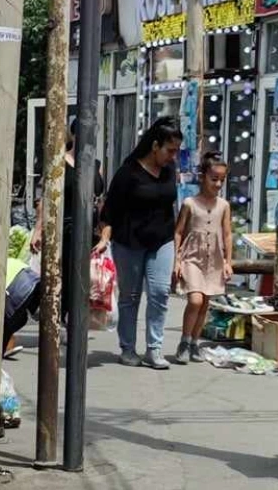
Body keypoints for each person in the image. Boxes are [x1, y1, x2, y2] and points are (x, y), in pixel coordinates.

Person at [95, 116, 182, 370]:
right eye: (170, 150)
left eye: (176, 151)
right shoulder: (128, 173)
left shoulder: (169, 171)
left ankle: (154, 349)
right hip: (129, 242)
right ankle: (128, 348)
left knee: (159, 293)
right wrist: (104, 238)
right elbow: (109, 211)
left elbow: (169, 205)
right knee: (130, 296)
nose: (173, 156)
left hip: (162, 240)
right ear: (155, 146)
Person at [29, 119, 105, 327]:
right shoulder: (59, 162)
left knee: (86, 280)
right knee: (68, 279)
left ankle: (74, 320)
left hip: (90, 231)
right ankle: (63, 320)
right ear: (74, 135)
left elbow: (99, 200)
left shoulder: (96, 165)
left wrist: (105, 232)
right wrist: (38, 230)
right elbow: (45, 198)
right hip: (66, 229)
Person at [172, 150, 233, 364]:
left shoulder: (224, 205)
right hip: (192, 257)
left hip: (213, 259)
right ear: (203, 176)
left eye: (222, 180)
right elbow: (178, 231)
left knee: (205, 302)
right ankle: (184, 340)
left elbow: (226, 234)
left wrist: (228, 261)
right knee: (195, 300)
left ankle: (195, 343)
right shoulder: (190, 203)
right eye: (214, 178)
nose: (218, 184)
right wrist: (176, 260)